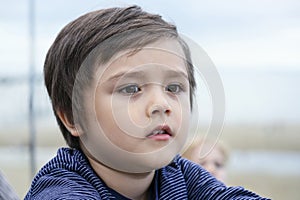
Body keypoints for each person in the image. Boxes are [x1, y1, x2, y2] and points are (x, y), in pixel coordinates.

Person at [25, 5, 269, 199]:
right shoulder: (61, 190)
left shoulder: (180, 175)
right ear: (72, 117)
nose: (161, 104)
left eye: (173, 87)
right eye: (131, 88)